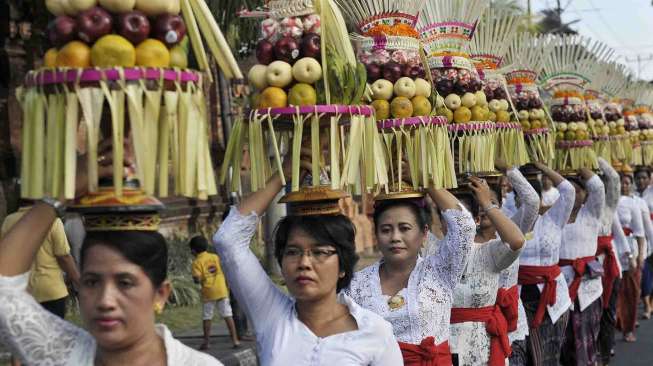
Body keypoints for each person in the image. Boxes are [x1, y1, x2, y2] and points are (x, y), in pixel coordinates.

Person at [0, 149, 221, 365]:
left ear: (160, 294)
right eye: (92, 282)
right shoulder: (64, 355)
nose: (105, 300)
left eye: (125, 283)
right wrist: (62, 194)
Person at [212, 161, 402, 365]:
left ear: (342, 266)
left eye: (319, 252)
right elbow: (228, 240)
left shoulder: (374, 332)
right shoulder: (272, 316)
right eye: (293, 252)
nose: (304, 263)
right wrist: (282, 174)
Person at [346, 183, 475, 365]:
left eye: (404, 228)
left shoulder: (439, 271)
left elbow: (465, 227)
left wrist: (428, 182)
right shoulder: (356, 285)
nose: (395, 237)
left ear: (424, 234)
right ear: (376, 235)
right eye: (386, 230)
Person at [446, 175, 528, 366]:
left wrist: (486, 203)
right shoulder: (432, 254)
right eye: (450, 219)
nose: (458, 225)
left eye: (464, 218)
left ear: (476, 219)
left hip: (486, 350)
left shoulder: (489, 251)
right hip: (446, 351)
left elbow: (517, 241)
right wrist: (429, 185)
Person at [517, 162, 574, 366]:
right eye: (521, 200)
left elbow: (568, 191)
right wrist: (510, 170)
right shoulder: (509, 224)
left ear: (540, 199)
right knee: (530, 358)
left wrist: (542, 167)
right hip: (520, 303)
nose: (528, 205)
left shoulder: (553, 218)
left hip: (554, 301)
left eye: (532, 199)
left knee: (550, 357)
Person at [493, 163, 540, 366]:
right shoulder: (458, 242)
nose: (484, 212)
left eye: (490, 204)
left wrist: (508, 169)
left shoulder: (510, 231)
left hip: (511, 324)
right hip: (471, 332)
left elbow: (531, 201)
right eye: (474, 206)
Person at [559, 168, 605, 366]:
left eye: (578, 191)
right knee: (565, 339)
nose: (573, 195)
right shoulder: (554, 216)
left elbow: (599, 187)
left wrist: (582, 168)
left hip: (589, 287)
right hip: (560, 287)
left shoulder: (591, 213)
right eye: (568, 191)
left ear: (586, 195)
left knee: (588, 336)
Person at [595, 158, 630, 366]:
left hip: (608, 268)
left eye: (599, 188)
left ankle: (604, 355)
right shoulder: (578, 208)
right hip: (585, 272)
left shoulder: (608, 207)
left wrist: (596, 158)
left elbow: (615, 179)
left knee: (606, 313)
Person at [190, 236, 241, 350]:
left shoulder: (196, 262)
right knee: (228, 315)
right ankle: (235, 340)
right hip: (222, 290)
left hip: (209, 292)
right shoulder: (215, 257)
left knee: (207, 316)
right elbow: (224, 269)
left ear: (193, 251)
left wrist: (197, 278)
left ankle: (207, 342)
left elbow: (197, 279)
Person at [616, 173, 646, 343]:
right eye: (622, 182)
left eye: (627, 182)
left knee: (631, 293)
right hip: (613, 252)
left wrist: (640, 255)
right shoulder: (610, 202)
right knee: (615, 293)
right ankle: (615, 326)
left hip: (630, 253)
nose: (624, 185)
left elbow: (640, 233)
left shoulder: (634, 204)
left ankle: (628, 328)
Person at [634, 167, 653, 320]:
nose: (641, 181)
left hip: (651, 235)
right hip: (639, 239)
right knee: (644, 272)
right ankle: (646, 303)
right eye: (638, 178)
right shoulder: (632, 197)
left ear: (649, 179)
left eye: (644, 178)